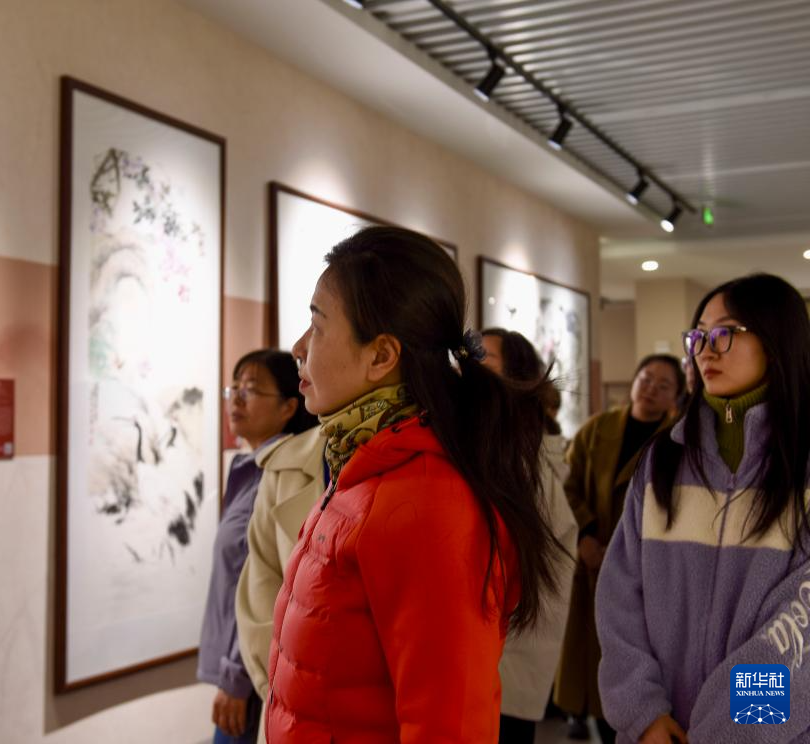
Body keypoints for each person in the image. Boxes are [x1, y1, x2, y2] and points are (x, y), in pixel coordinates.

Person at [264, 226, 562, 742]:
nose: (298, 347)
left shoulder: (425, 502)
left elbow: (450, 726)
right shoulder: (364, 467)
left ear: (382, 356)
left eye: (317, 324)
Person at [597, 273, 810, 743]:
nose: (706, 350)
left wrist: (727, 730)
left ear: (777, 339)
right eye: (698, 336)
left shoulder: (801, 467)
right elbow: (619, 596)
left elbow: (798, 631)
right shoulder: (663, 459)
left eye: (725, 333)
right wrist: (644, 713)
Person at [554, 352, 684, 743]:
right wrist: (586, 534)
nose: (651, 389)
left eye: (663, 385)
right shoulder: (598, 429)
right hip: (591, 556)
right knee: (589, 646)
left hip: (644, 565)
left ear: (675, 396)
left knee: (633, 647)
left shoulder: (677, 440)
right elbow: (567, 485)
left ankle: (627, 719)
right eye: (646, 379)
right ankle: (585, 714)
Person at [197, 349, 317, 744]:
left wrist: (236, 674)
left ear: (288, 407)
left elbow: (264, 582)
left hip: (251, 673)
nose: (236, 399)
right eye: (233, 388)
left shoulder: (282, 477)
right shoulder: (247, 468)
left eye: (250, 389)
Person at [481, 329, 579, 744]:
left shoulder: (521, 456)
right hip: (485, 657)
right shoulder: (491, 443)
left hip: (504, 657)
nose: (466, 362)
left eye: (483, 355)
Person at [235, 423, 327, 744]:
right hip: (288, 713)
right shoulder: (284, 466)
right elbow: (260, 587)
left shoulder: (421, 453)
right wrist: (286, 692)